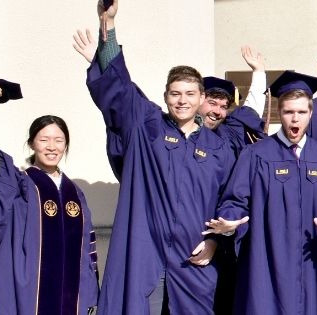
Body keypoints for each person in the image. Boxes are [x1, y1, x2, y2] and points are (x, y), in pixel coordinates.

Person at [80, 2, 236, 313]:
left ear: (202, 99)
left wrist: (216, 242)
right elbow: (120, 90)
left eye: (190, 94)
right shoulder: (147, 126)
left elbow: (230, 200)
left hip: (194, 255)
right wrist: (108, 27)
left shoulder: (219, 150)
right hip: (145, 248)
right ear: (165, 96)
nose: (182, 101)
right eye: (175, 93)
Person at [202, 73, 317, 314]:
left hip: (314, 261)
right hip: (265, 258)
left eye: (301, 112)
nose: (294, 119)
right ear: (280, 112)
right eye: (288, 112)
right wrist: (230, 222)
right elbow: (236, 200)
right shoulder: (255, 154)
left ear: (311, 114)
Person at [0, 77, 100, 315]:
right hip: (29, 293)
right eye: (43, 140)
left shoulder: (75, 192)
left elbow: (88, 251)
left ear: (66, 145)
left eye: (59, 140)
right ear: (32, 144)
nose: (51, 146)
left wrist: (91, 294)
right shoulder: (18, 184)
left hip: (73, 296)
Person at [204, 46, 270, 155]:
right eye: (212, 103)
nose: (217, 111)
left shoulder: (230, 133)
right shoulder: (180, 128)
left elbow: (250, 111)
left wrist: (259, 72)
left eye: (223, 107)